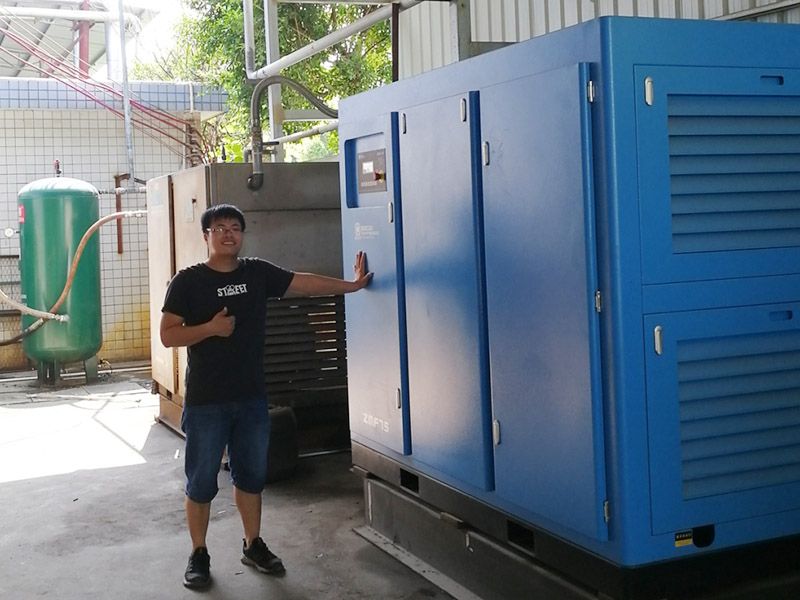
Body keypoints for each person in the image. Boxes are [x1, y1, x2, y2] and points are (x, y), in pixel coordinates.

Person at [160, 203, 372, 589]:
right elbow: (167, 334)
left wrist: (352, 286)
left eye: (235, 227)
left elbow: (303, 283)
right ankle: (198, 553)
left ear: (242, 234)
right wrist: (210, 329)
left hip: (251, 398)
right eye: (220, 228)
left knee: (251, 477)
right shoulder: (187, 281)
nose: (228, 234)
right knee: (201, 480)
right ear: (206, 235)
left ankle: (253, 544)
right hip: (207, 401)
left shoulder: (256, 272)